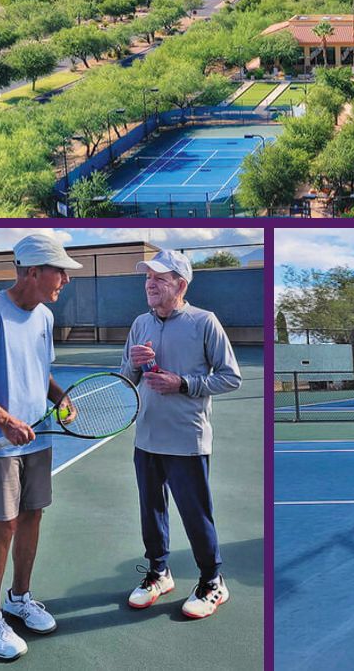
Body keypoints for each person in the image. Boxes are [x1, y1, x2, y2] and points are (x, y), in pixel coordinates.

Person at [0, 234, 81, 660]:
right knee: (1, 525)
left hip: (37, 439)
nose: (65, 279)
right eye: (60, 271)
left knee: (32, 517)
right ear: (33, 272)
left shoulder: (43, 317)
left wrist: (59, 397)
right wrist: (4, 419)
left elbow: (39, 372)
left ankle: (18, 598)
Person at [120, 250, 243, 619]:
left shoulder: (204, 322)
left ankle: (212, 582)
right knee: (150, 511)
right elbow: (127, 379)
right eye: (147, 277)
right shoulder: (140, 323)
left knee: (195, 515)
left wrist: (183, 383)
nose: (150, 284)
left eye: (160, 278)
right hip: (146, 439)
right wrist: (134, 364)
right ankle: (159, 573)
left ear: (181, 284)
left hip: (187, 441)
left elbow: (230, 377)